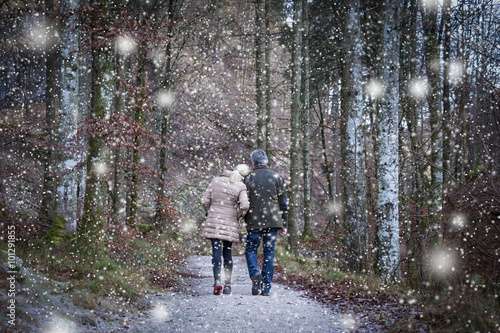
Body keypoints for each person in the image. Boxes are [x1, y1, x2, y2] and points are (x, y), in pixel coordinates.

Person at [202, 164, 251, 295]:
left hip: (214, 219)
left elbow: (204, 200)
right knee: (227, 252)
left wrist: (210, 211)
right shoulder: (240, 186)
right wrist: (238, 214)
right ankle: (228, 285)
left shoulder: (215, 180)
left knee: (216, 252)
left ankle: (217, 281)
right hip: (230, 220)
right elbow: (245, 205)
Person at [244, 149, 288, 296]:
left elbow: (245, 201)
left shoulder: (249, 178)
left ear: (253, 162)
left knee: (251, 249)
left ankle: (255, 274)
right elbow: (284, 204)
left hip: (254, 221)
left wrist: (243, 218)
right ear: (267, 161)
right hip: (273, 221)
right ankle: (266, 286)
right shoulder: (277, 177)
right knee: (269, 253)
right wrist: (284, 224)